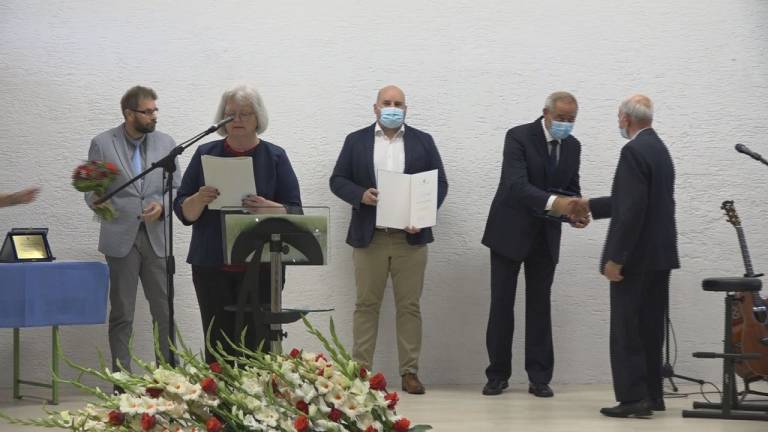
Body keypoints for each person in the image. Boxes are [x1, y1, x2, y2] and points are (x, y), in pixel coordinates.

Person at [329, 85, 448, 394]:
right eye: (387, 103)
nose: (392, 108)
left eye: (398, 104)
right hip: (370, 238)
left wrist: (422, 215)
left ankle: (409, 373)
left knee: (409, 307)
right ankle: (361, 373)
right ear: (375, 107)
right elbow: (337, 180)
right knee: (366, 305)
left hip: (411, 239)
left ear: (405, 109)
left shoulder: (423, 141)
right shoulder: (356, 141)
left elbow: (440, 183)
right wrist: (360, 195)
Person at [174, 85, 302, 362]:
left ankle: (256, 391)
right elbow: (184, 212)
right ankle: (219, 390)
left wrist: (270, 207)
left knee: (257, 345)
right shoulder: (205, 153)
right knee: (217, 344)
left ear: (258, 118)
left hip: (262, 267)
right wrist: (199, 198)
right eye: (230, 114)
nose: (237, 120)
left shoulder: (275, 156)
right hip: (211, 265)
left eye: (245, 113)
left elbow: (295, 211)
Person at [481, 91, 588, 397]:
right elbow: (516, 185)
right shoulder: (518, 137)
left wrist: (574, 214)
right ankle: (497, 374)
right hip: (509, 232)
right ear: (546, 113)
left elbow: (571, 189)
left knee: (540, 305)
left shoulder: (573, 146)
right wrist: (559, 204)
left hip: (546, 235)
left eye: (571, 119)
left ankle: (539, 377)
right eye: (561, 118)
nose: (565, 124)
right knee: (502, 304)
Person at [580, 95, 679, 418]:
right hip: (660, 255)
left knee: (627, 330)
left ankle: (633, 398)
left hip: (635, 257)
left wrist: (616, 258)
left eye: (618, 117)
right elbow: (634, 201)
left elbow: (632, 210)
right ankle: (652, 395)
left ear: (625, 118)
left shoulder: (632, 151)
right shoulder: (659, 149)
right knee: (650, 328)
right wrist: (590, 205)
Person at [84, 85, 179, 372]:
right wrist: (104, 206)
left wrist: (162, 206)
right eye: (147, 112)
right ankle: (122, 381)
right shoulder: (103, 143)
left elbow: (177, 188)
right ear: (129, 114)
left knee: (164, 311)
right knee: (122, 313)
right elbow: (91, 191)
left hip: (157, 238)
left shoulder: (166, 143)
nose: (154, 116)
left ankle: (169, 380)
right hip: (120, 239)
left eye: (155, 110)